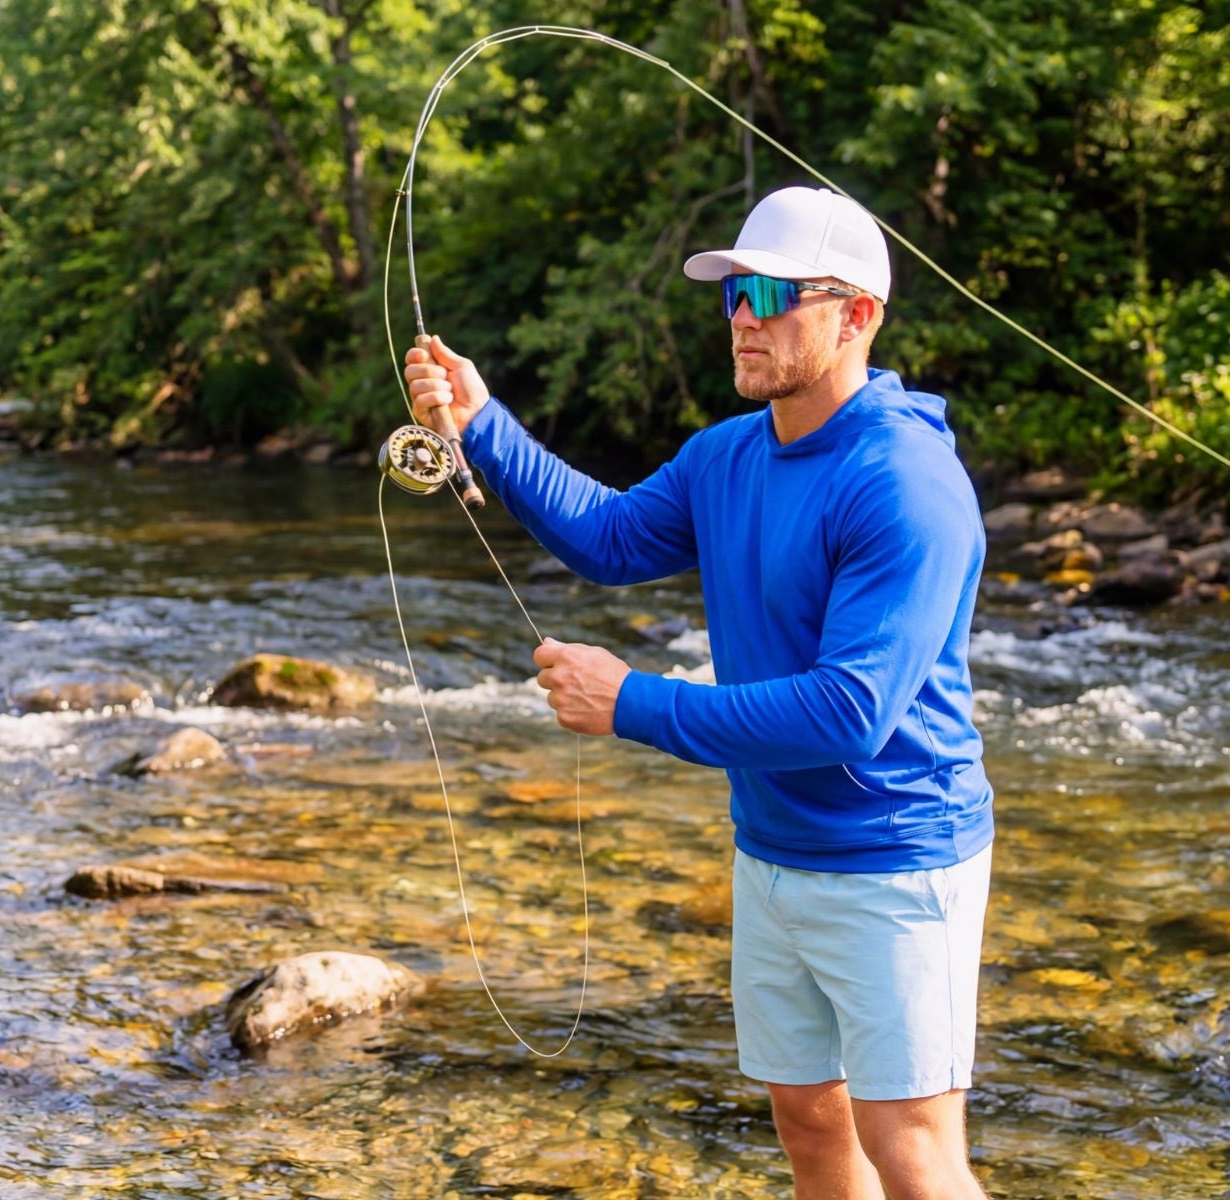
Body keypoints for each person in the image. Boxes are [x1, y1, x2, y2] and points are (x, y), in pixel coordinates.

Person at [403, 185, 994, 1200]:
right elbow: (611, 539)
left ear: (857, 315)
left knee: (913, 1153)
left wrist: (630, 700)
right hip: (772, 852)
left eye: (769, 291)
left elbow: (850, 711)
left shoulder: (907, 483)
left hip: (898, 862)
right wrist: (483, 421)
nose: (744, 317)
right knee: (809, 1121)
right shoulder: (728, 454)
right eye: (731, 295)